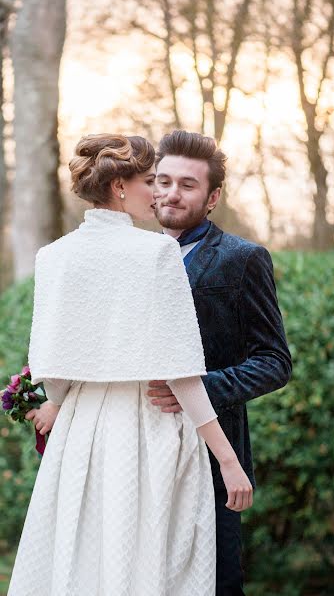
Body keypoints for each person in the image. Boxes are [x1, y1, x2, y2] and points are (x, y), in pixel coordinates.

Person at [8, 134, 253, 596]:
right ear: (119, 187)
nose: (157, 193)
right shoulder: (156, 254)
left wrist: (56, 403)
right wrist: (227, 460)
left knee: (83, 565)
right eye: (148, 181)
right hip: (149, 430)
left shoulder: (52, 257)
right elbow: (181, 370)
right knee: (151, 566)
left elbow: (53, 365)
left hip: (79, 437)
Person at [147, 130, 292, 595]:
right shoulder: (132, 260)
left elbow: (274, 361)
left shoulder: (243, 259)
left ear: (212, 197)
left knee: (214, 577)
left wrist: (197, 388)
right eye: (162, 180)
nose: (171, 193)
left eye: (187, 184)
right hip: (137, 442)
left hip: (214, 449)